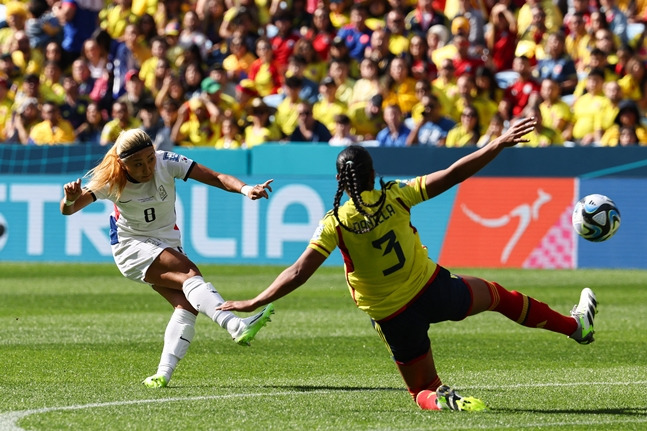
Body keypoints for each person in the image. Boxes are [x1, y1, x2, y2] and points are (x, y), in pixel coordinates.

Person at [217, 117, 599, 411]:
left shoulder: (335, 223)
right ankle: (575, 327)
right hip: (434, 290)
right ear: (371, 174)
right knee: (498, 296)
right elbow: (453, 174)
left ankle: (442, 400)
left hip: (390, 314)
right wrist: (496, 143)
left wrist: (254, 301)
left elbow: (298, 271)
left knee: (421, 388)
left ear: (339, 180)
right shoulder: (396, 195)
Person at [60, 128, 275, 388]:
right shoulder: (110, 179)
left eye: (150, 158)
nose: (147, 167)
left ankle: (162, 374)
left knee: (187, 304)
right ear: (122, 164)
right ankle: (235, 326)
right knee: (190, 274)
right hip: (132, 245)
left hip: (166, 241)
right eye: (137, 164)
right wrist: (69, 199)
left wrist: (245, 188)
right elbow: (69, 211)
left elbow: (217, 177)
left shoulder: (167, 161)